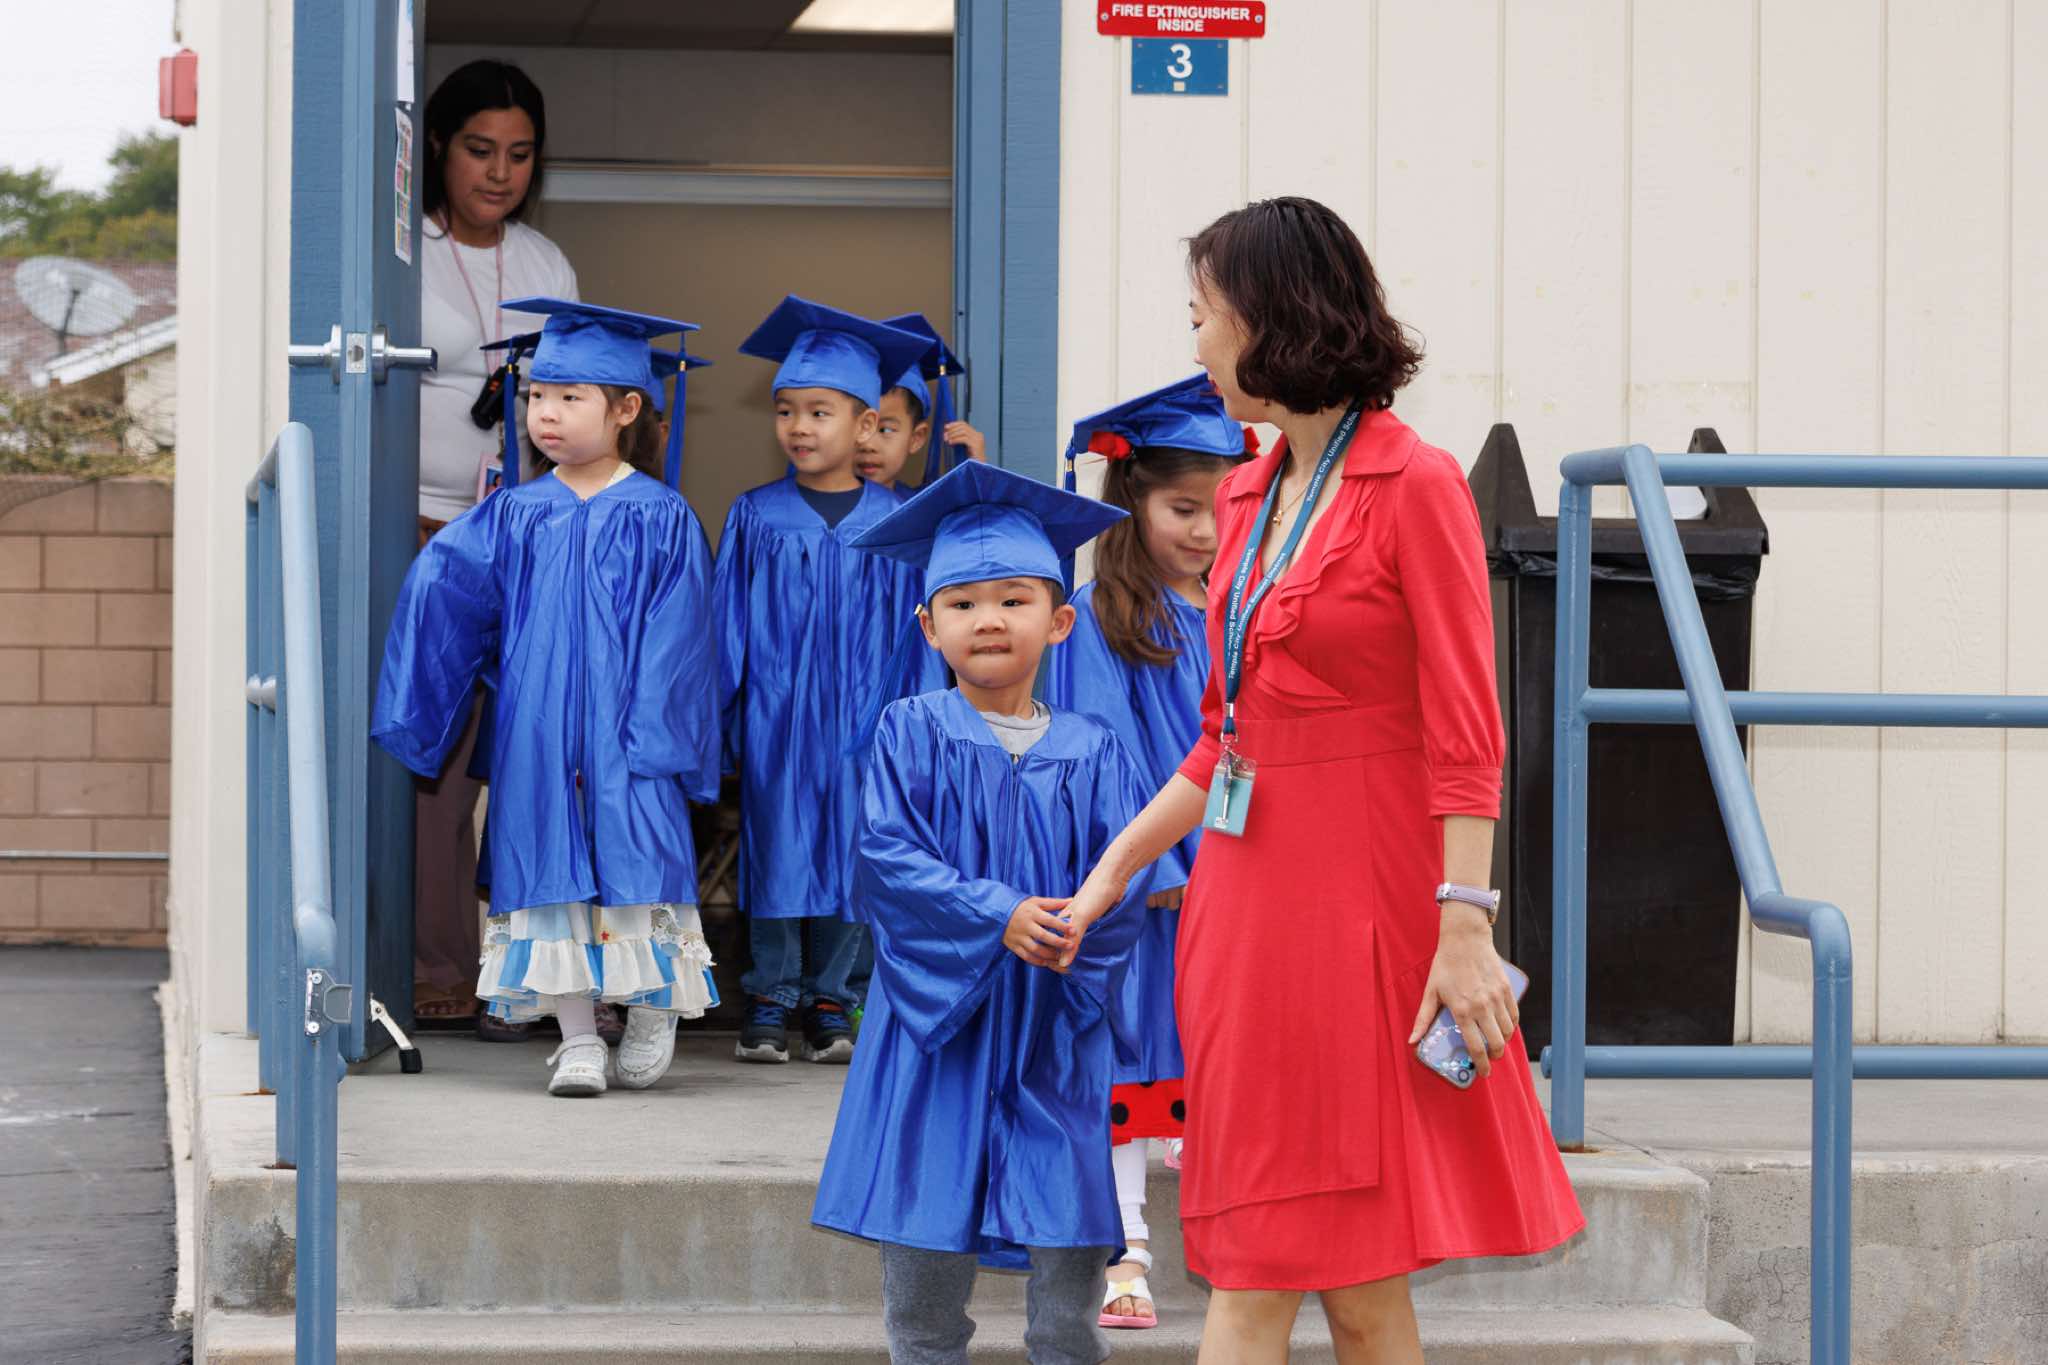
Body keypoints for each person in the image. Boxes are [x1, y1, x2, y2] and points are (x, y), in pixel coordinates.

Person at [1059, 197, 1585, 1364]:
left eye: (1203, 315)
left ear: (1270, 318)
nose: (1195, 341)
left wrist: (1463, 924)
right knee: (1346, 1284)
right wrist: (1108, 875)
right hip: (1244, 908)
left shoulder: (1414, 484)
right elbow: (1221, 737)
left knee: (1290, 1274)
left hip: (1365, 907)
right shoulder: (1243, 494)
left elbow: (1467, 729)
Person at [812, 460, 1154, 1365]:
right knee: (925, 1252)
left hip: (1055, 1021)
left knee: (1066, 1263)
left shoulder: (1096, 747)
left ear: (1061, 620)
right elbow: (886, 857)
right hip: (939, 1027)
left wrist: (1073, 937)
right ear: (929, 626)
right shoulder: (909, 729)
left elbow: (1125, 872)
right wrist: (998, 913)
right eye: (962, 602)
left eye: (1014, 599)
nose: (989, 618)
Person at [374, 300, 721, 1098]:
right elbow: (447, 593)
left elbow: (683, 636)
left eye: (570, 397)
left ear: (626, 409)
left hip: (632, 735)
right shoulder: (514, 512)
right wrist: (424, 694)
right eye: (536, 396)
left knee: (639, 871)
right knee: (548, 882)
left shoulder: (663, 515)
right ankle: (577, 1039)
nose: (547, 413)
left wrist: (651, 735)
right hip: (538, 733)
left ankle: (650, 1008)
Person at [1041, 374, 1250, 1332]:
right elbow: (1103, 748)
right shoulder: (1103, 614)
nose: (1206, 530)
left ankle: (1236, 1251)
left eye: (1223, 507)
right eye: (1183, 509)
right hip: (1154, 888)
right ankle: (1126, 1248)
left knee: (1220, 1062)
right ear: (1132, 499)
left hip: (1241, 878)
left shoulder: (1243, 604)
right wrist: (1151, 869)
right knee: (1130, 1060)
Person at [715, 297, 932, 1065]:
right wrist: (723, 723)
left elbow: (920, 638)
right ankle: (770, 994)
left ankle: (834, 995)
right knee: (775, 849)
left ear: (866, 424)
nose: (799, 427)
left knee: (855, 850)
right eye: (785, 411)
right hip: (777, 719)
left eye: (818, 411)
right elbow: (725, 626)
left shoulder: (900, 521)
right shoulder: (755, 515)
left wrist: (913, 727)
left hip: (867, 721)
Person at [412, 59, 581, 1039]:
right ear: (439, 145)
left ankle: (531, 974)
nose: (500, 172)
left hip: (520, 538)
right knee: (436, 760)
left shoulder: (546, 264)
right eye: (480, 150)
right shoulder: (405, 253)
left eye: (520, 154)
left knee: (526, 751)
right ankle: (438, 966)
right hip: (423, 534)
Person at [855, 313, 986, 493]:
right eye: (859, 428)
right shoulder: (814, 506)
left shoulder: (928, 507)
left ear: (916, 438)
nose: (868, 445)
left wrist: (978, 471)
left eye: (886, 430)